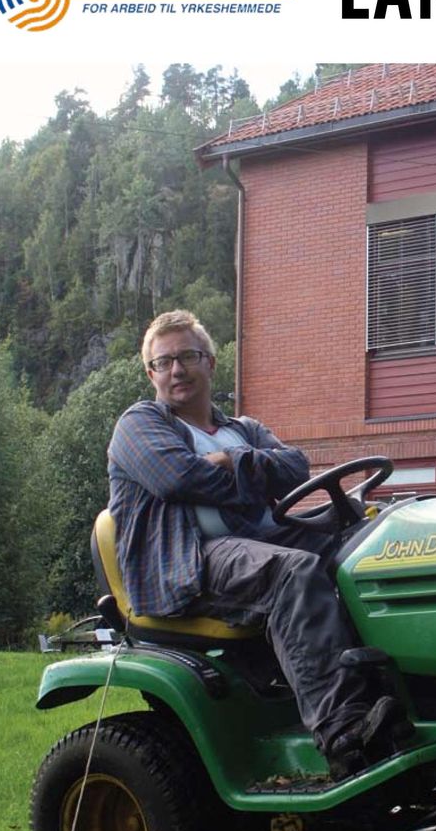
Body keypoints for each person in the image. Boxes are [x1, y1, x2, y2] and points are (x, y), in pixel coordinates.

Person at [107, 310, 410, 780]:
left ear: (209, 362)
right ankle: (346, 737)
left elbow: (294, 466)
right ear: (151, 374)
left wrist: (233, 459)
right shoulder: (139, 424)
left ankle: (404, 691)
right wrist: (248, 475)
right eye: (163, 362)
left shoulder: (242, 429)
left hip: (259, 540)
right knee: (292, 572)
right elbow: (177, 478)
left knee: (369, 546)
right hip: (190, 558)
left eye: (187, 357)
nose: (176, 370)